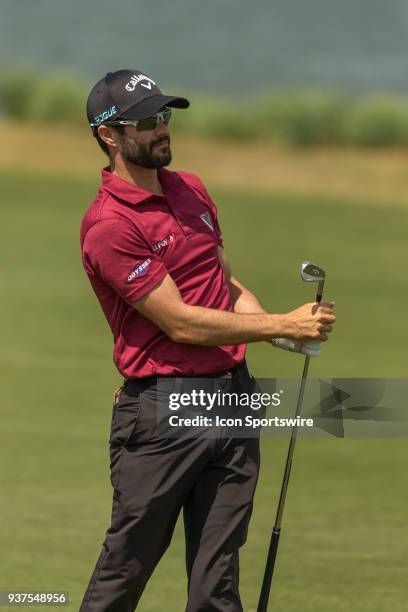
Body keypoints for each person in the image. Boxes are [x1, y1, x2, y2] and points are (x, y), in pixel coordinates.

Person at [79, 69, 336, 612]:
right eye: (147, 120)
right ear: (109, 135)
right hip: (163, 411)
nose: (162, 128)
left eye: (165, 116)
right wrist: (281, 325)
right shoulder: (110, 223)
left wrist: (272, 327)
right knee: (126, 570)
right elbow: (181, 322)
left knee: (216, 583)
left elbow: (219, 281)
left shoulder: (190, 188)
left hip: (232, 397)